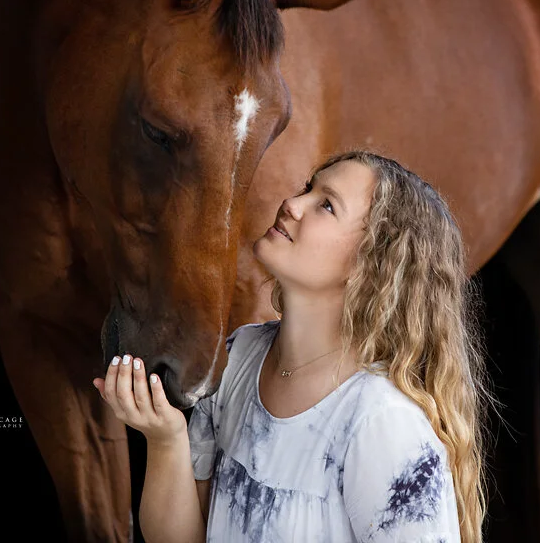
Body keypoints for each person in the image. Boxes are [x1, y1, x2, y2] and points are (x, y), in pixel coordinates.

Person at [92, 149, 494, 542]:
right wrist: (166, 441)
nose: (292, 204)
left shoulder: (382, 423)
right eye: (307, 188)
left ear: (370, 264)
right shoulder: (241, 356)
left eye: (327, 206)